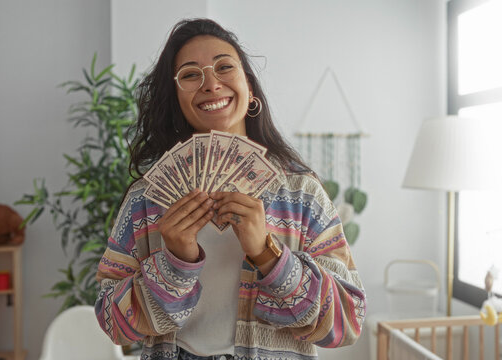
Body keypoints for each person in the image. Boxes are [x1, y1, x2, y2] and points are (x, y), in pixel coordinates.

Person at [95, 18, 366, 360]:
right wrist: (173, 262)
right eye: (191, 74)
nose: (211, 84)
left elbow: (347, 321)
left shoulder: (303, 195)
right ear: (176, 97)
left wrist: (268, 254)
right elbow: (112, 322)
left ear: (249, 87)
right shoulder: (146, 199)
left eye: (224, 67)